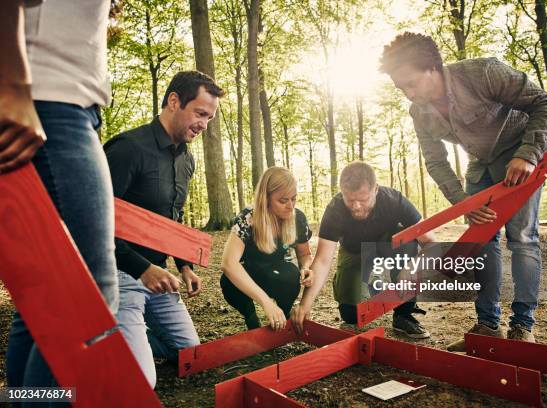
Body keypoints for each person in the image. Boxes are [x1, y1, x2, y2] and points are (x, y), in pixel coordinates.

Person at [380, 32, 547, 350]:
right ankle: (487, 324)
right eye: (400, 88)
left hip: (520, 157)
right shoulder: (418, 112)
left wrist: (527, 154)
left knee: (523, 239)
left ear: (432, 68)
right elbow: (435, 162)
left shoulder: (484, 73)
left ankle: (522, 326)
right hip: (480, 166)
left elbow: (545, 103)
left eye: (411, 83)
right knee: (480, 242)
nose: (408, 94)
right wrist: (463, 202)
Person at [2, 0, 119, 393]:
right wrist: (13, 86)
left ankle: (26, 400)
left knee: (43, 301)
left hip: (65, 105)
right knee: (89, 295)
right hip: (50, 104)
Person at [104, 70, 224, 387]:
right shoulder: (127, 149)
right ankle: (109, 334)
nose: (204, 124)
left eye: (210, 118)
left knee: (190, 354)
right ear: (174, 101)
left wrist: (183, 265)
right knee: (143, 382)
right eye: (200, 113)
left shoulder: (187, 160)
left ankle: (131, 336)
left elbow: (173, 218)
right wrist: (142, 269)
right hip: (119, 276)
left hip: (159, 278)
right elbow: (95, 222)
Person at [291, 162, 434, 338]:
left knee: (409, 242)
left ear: (376, 190)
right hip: (354, 251)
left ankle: (403, 315)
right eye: (350, 200)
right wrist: (305, 304)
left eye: (363, 199)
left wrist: (411, 268)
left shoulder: (394, 200)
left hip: (389, 246)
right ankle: (372, 286)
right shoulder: (334, 210)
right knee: (351, 316)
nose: (356, 206)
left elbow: (430, 242)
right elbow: (322, 260)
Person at [221, 167, 314, 331]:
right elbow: (228, 264)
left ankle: (282, 316)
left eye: (294, 199)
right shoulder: (248, 218)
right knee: (228, 282)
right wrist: (265, 302)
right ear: (266, 198)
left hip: (277, 271)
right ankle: (250, 316)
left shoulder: (298, 218)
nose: (290, 206)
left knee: (290, 276)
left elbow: (305, 254)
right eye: (283, 201)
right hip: (250, 271)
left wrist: (306, 267)